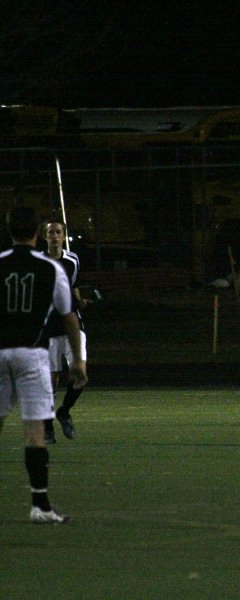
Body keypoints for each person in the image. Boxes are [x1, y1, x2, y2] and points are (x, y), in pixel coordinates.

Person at [0, 206, 87, 523]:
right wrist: (78, 361)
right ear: (37, 232)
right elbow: (69, 317)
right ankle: (40, 506)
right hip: (32, 354)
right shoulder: (50, 269)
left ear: (9, 229)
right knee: (35, 431)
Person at [41, 221, 89, 443]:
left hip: (72, 327)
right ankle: (48, 427)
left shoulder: (73, 260)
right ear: (45, 236)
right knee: (51, 383)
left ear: (63, 236)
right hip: (49, 330)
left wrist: (79, 301)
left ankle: (64, 412)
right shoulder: (39, 263)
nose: (54, 236)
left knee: (80, 377)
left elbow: (74, 286)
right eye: (50, 232)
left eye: (58, 232)